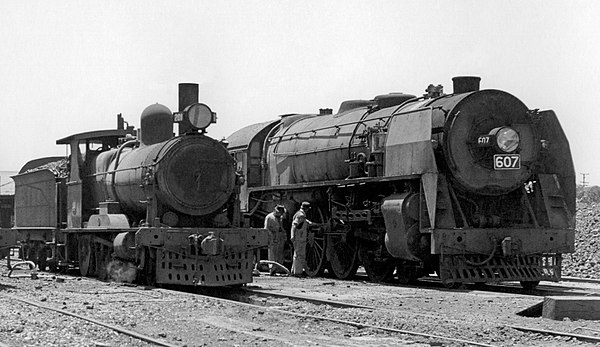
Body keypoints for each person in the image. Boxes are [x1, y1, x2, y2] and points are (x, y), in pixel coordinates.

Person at [263, 205, 286, 275]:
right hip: (272, 237)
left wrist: (284, 234)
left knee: (279, 253)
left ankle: (279, 268)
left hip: (279, 237)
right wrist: (271, 236)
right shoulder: (269, 217)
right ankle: (272, 269)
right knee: (272, 254)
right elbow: (266, 229)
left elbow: (281, 227)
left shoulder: (280, 218)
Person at [291, 201, 312, 277]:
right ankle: (298, 273)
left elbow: (305, 222)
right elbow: (294, 225)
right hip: (299, 237)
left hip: (299, 237)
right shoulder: (301, 215)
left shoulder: (299, 214)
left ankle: (294, 271)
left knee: (297, 254)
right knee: (299, 255)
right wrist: (292, 235)